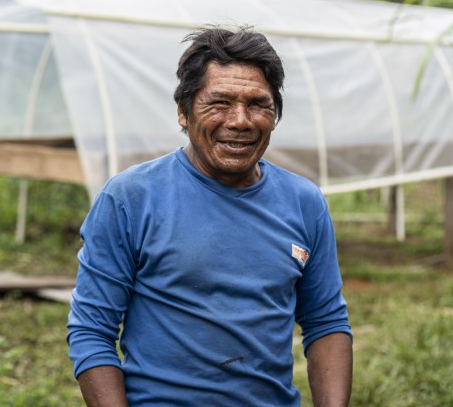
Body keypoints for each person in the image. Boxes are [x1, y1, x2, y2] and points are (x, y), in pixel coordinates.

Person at [67, 26, 353, 406]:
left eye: (258, 104)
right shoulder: (130, 198)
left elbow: (326, 323)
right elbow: (92, 330)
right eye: (219, 103)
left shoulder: (304, 202)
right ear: (184, 113)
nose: (240, 121)